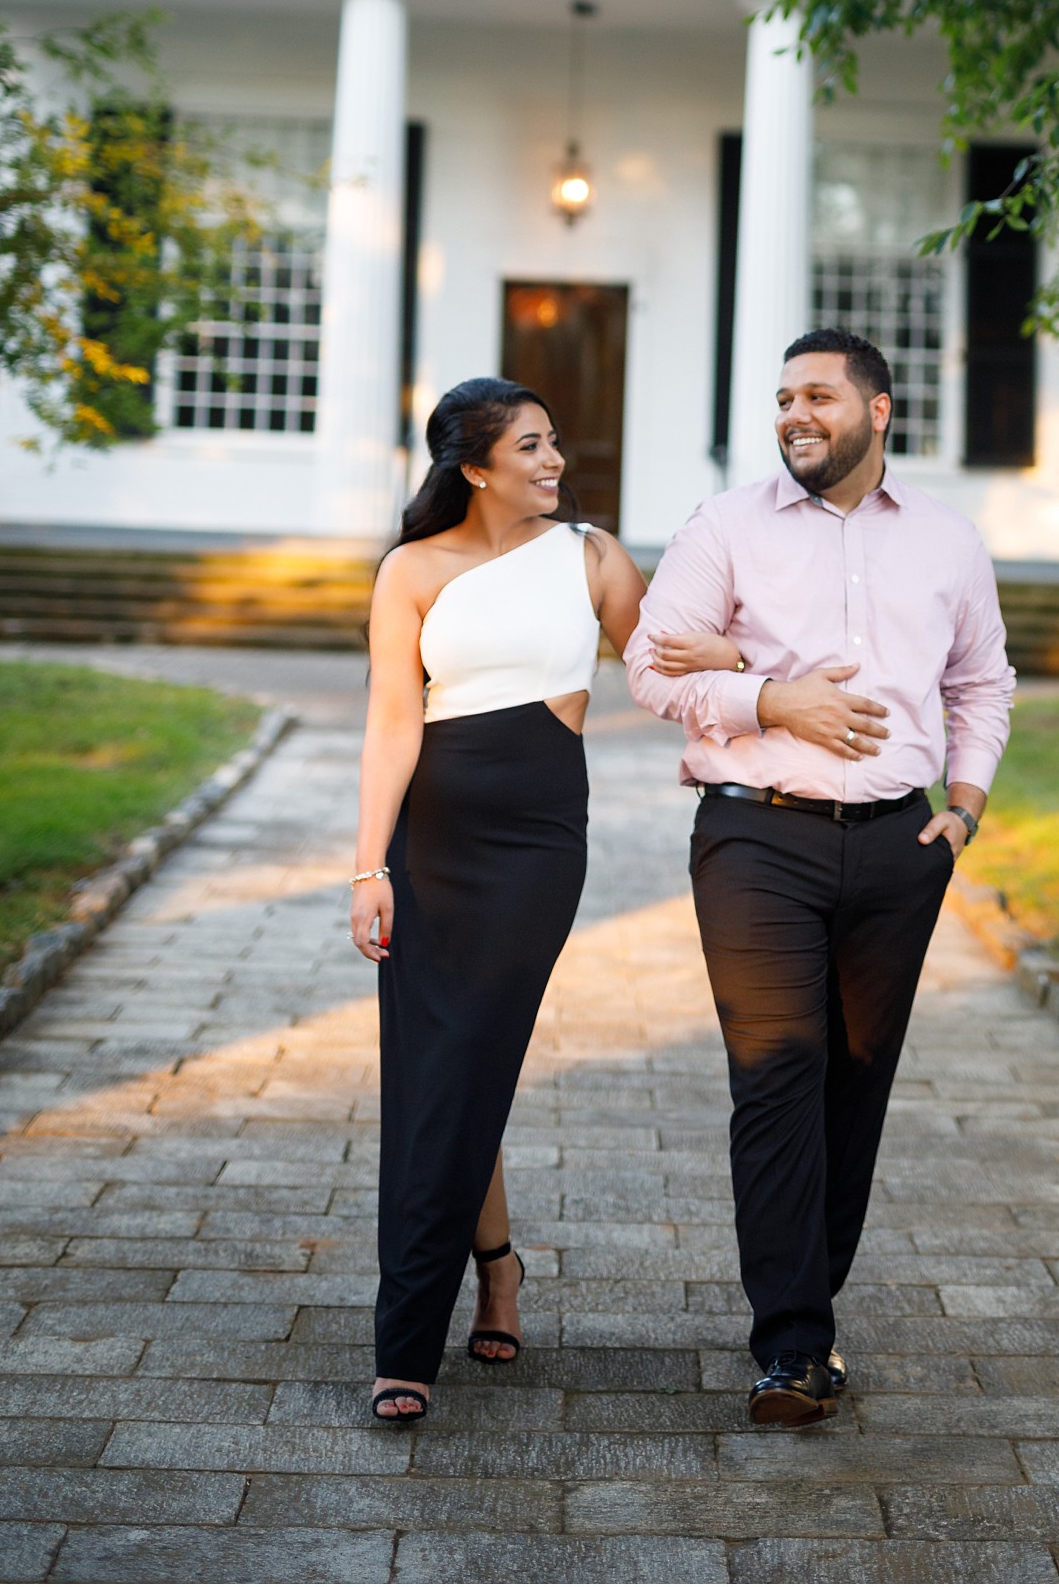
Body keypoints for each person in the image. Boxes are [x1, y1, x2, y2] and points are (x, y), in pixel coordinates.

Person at [626, 328, 1015, 1426]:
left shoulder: (947, 541)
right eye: (783, 398)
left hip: (900, 845)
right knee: (778, 1076)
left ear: (877, 411)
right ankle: (791, 1345)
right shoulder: (727, 526)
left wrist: (966, 804)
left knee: (855, 1081)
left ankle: (810, 1300)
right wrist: (770, 699)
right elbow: (652, 661)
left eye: (818, 397)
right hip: (756, 837)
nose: (795, 414)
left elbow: (983, 680)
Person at [350, 375, 651, 1425]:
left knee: (468, 1054)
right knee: (437, 1071)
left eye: (554, 442)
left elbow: (661, 670)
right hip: (432, 841)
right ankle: (487, 1278)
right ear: (475, 468)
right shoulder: (411, 570)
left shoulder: (593, 557)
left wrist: (753, 677)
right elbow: (393, 720)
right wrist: (367, 865)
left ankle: (409, 1338)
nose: (553, 460)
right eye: (529, 447)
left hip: (535, 844)